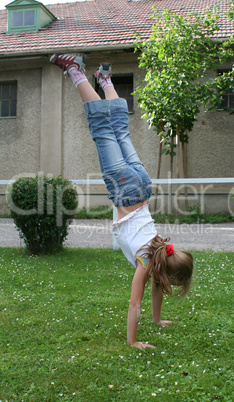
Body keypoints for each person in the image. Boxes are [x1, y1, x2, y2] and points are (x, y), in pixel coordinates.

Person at [50, 53, 193, 349]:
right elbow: (133, 303)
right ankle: (75, 69)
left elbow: (155, 290)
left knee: (119, 128)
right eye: (172, 283)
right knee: (102, 128)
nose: (167, 288)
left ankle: (105, 79)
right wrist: (133, 342)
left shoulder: (158, 250)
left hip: (142, 184)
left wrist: (157, 320)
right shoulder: (145, 261)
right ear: (164, 271)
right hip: (126, 189)